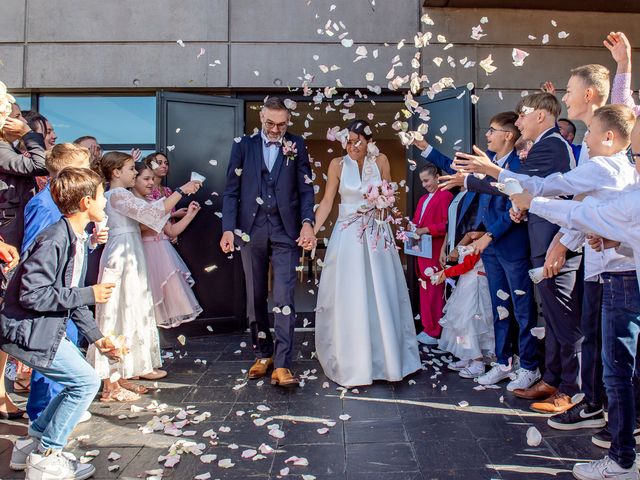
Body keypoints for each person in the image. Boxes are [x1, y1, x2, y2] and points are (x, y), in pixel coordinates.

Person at [457, 105, 637, 419]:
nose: (585, 139)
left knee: (586, 337)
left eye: (591, 133)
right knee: (582, 333)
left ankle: (586, 399)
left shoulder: (595, 162)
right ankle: (577, 394)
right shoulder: (607, 162)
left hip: (595, 260)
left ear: (608, 137)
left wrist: (497, 176)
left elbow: (553, 193)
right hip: (598, 255)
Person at [451, 93, 582, 413]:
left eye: (523, 115)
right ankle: (552, 379)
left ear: (540, 116)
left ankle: (571, 388)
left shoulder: (551, 145)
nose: (518, 121)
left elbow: (517, 186)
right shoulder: (544, 145)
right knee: (551, 317)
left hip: (555, 241)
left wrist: (475, 177)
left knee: (563, 320)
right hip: (544, 241)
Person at [511, 170, 640, 479]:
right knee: (616, 368)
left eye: (638, 157)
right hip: (617, 272)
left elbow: (581, 210)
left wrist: (534, 202)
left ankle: (622, 460)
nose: (634, 167)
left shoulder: (627, 190)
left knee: (618, 371)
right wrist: (614, 240)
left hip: (621, 279)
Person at [0, 167, 123, 479]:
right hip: (30, 330)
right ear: (85, 203)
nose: (104, 202)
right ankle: (47, 458)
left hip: (43, 329)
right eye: (100, 196)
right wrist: (89, 293)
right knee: (85, 382)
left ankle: (33, 444)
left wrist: (97, 338)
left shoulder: (76, 237)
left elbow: (70, 296)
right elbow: (33, 295)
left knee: (79, 381)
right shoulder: (55, 239)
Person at [415, 112, 538, 390]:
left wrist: (489, 234)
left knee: (521, 307)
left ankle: (528, 365)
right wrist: (425, 147)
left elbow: (515, 206)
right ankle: (502, 361)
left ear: (508, 135)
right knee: (499, 307)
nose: (487, 135)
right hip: (490, 248)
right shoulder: (489, 163)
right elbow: (454, 168)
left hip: (511, 244)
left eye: (492, 130)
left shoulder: (518, 165)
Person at [313, 119, 421, 387]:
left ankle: (386, 359)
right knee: (350, 291)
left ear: (368, 140)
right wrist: (312, 231)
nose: (352, 146)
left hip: (376, 231)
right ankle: (352, 360)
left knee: (380, 291)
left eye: (357, 141)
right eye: (348, 141)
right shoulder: (337, 164)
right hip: (348, 233)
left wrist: (384, 203)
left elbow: (389, 195)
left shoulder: (381, 160)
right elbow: (328, 200)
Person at [86, 152, 201, 401]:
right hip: (121, 255)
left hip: (132, 251)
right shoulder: (116, 195)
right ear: (116, 173)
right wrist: (181, 190)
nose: (135, 174)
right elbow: (151, 212)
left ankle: (123, 374)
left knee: (131, 313)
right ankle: (109, 384)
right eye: (131, 170)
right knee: (116, 314)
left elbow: (153, 212)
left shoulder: (122, 195)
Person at [220, 97, 316, 388]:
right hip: (250, 230)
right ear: (260, 117)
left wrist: (308, 223)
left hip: (286, 231)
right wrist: (228, 229)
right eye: (270, 123)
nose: (275, 130)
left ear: (288, 122)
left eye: (282, 125)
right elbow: (231, 191)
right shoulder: (243, 146)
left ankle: (284, 363)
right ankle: (264, 354)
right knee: (255, 295)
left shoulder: (297, 144)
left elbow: (306, 190)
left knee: (285, 296)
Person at [21, 143, 108, 424]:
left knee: (65, 354)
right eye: (86, 168)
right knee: (50, 361)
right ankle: (41, 418)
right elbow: (34, 254)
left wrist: (91, 242)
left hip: (64, 296)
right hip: (49, 300)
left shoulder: (70, 212)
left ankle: (54, 414)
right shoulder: (44, 205)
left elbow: (68, 255)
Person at [132, 162, 203, 330]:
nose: (151, 182)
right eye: (146, 178)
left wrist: (190, 215)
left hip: (163, 254)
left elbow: (171, 231)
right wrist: (164, 212)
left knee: (163, 302)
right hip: (145, 253)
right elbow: (143, 227)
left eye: (152, 178)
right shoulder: (132, 203)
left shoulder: (155, 202)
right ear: (134, 179)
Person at [436, 234, 494, 377]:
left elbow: (467, 265)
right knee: (459, 322)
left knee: (471, 321)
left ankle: (478, 361)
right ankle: (467, 354)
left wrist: (445, 273)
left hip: (475, 284)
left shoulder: (478, 243)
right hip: (466, 283)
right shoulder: (472, 241)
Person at [412, 163, 453, 346]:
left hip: (436, 250)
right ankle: (428, 328)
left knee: (436, 293)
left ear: (437, 176)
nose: (424, 185)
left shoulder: (446, 196)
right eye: (422, 181)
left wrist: (426, 229)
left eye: (427, 180)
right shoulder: (422, 200)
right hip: (422, 251)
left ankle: (436, 331)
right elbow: (416, 221)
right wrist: (411, 227)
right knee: (425, 290)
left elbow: (448, 225)